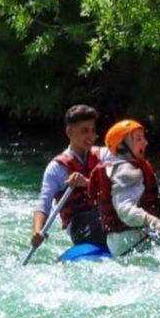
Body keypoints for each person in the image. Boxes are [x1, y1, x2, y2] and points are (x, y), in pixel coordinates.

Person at [31, 104, 107, 250]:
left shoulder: (103, 155)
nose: (90, 136)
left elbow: (119, 183)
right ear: (70, 132)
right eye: (85, 131)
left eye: (92, 130)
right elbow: (43, 204)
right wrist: (37, 230)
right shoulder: (57, 168)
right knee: (103, 222)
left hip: (106, 217)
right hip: (79, 227)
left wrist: (86, 182)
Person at [88, 119, 160, 257]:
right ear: (122, 146)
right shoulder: (126, 170)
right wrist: (152, 221)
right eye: (138, 139)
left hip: (122, 244)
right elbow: (124, 210)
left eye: (144, 138)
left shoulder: (118, 167)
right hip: (133, 243)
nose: (145, 142)